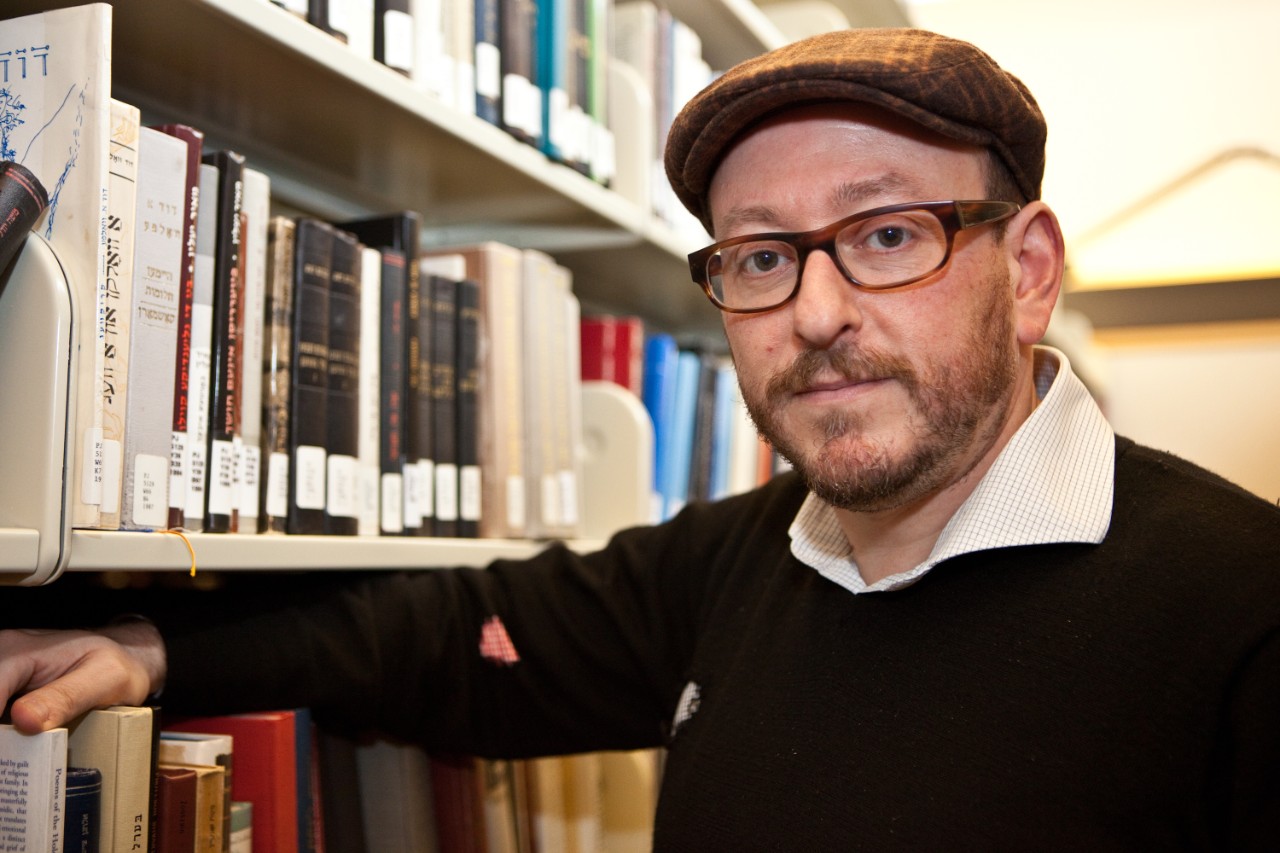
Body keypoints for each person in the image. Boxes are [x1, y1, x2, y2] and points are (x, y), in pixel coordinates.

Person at [3, 27, 1279, 849]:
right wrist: (149, 648)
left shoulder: (1238, 606)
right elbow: (451, 640)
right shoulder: (738, 563)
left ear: (1029, 269)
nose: (815, 313)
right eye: (762, 256)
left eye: (887, 234)